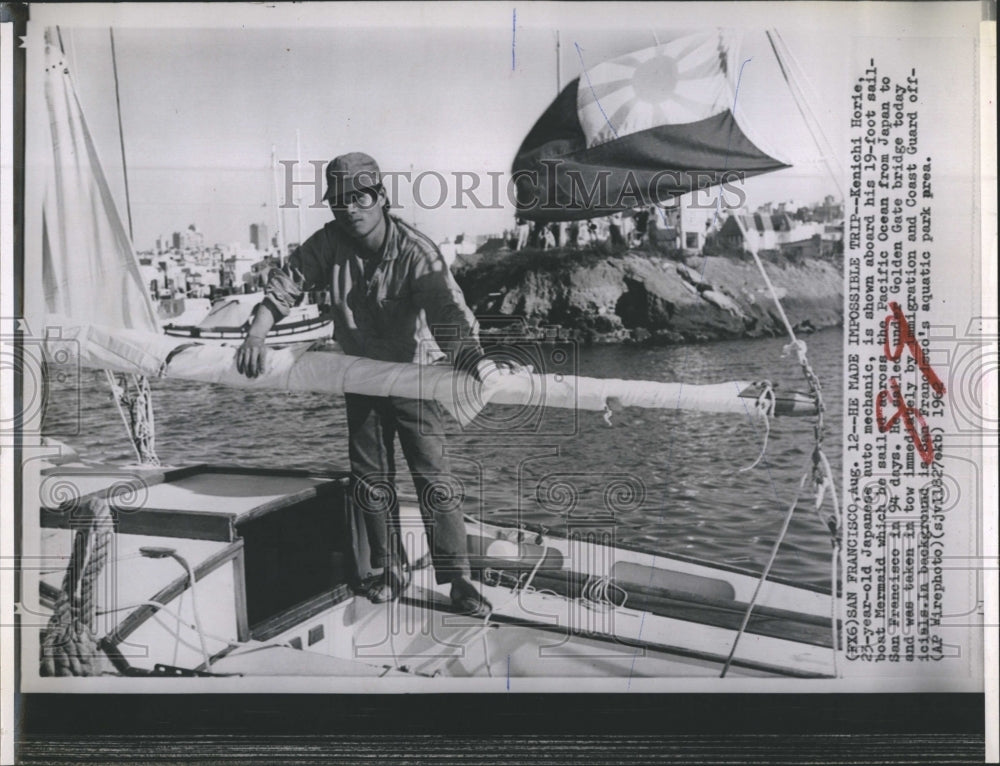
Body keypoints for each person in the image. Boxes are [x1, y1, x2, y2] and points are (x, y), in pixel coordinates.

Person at [236, 152, 492, 617]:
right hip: (360, 376)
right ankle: (388, 569)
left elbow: (448, 311)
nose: (350, 209)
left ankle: (459, 579)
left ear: (381, 198)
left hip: (415, 377)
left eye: (361, 198)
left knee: (433, 475)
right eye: (339, 201)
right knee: (370, 477)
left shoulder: (417, 250)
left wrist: (471, 358)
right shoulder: (328, 243)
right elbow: (284, 287)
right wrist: (256, 334)